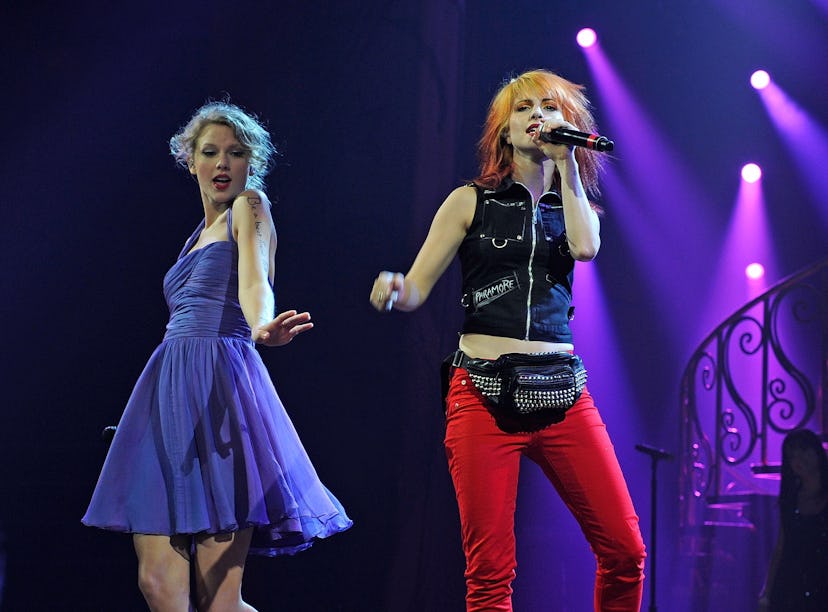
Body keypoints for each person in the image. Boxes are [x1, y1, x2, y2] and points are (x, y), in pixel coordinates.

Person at [370, 69, 646, 611]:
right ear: (503, 129)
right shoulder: (468, 201)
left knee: (625, 551)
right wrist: (395, 291)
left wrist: (568, 165)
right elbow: (417, 289)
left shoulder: (576, 208)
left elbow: (586, 250)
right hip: (481, 393)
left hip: (562, 394)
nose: (536, 117)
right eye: (523, 108)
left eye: (548, 107)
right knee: (490, 573)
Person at [83, 100, 352, 611]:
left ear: (253, 163)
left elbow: (254, 280)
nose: (223, 163)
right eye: (211, 152)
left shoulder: (249, 207)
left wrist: (261, 326)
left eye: (235, 153)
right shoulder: (194, 237)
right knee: (158, 585)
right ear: (192, 161)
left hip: (219, 393)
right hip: (168, 395)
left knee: (218, 601)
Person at [758, 428, 828, 611]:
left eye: (803, 450)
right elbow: (781, 546)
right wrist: (767, 592)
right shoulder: (790, 499)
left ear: (816, 451)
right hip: (790, 585)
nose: (799, 459)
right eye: (792, 456)